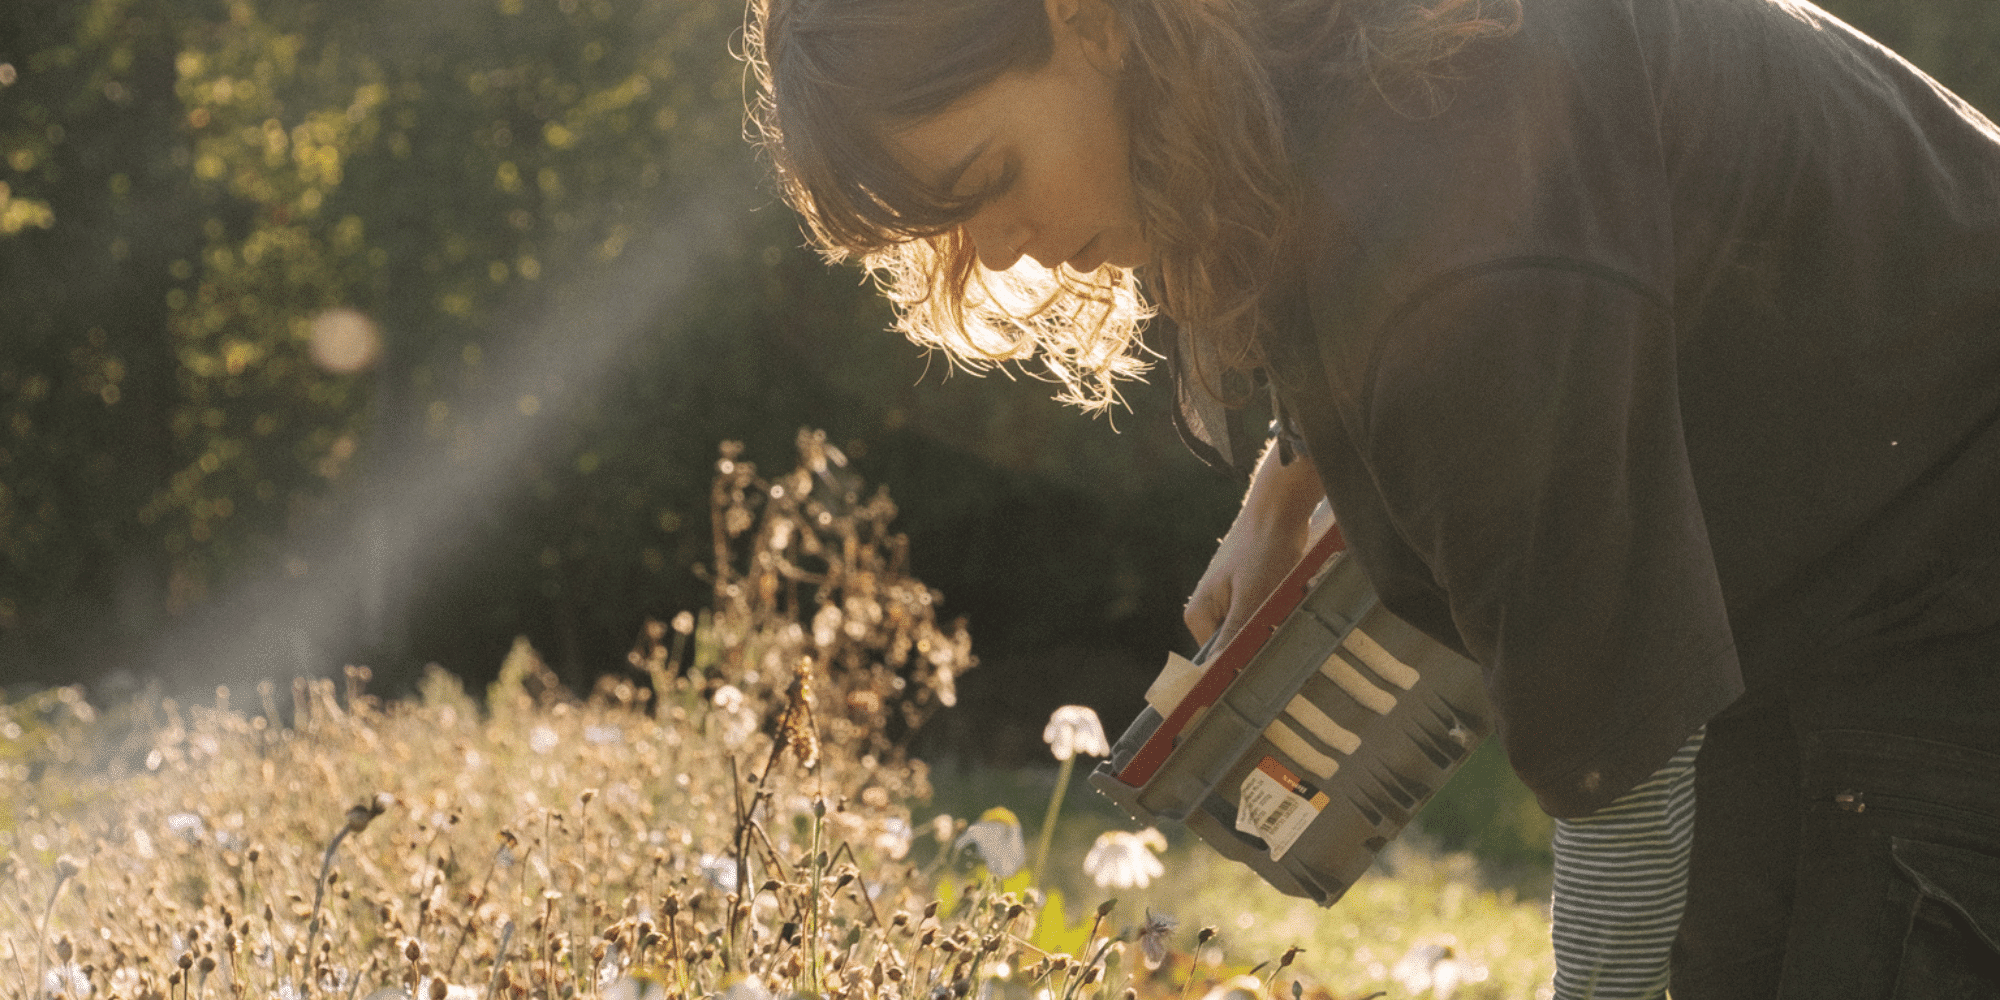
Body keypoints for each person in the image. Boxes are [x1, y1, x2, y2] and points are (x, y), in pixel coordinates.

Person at [741, 0, 2000, 996]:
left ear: (1086, 19)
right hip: (1826, 600)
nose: (998, 248)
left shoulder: (1462, 255)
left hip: (1948, 592)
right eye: (945, 234)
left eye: (988, 173)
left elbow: (1623, 767)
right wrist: (1286, 476)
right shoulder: (1329, 72)